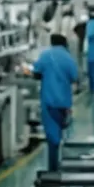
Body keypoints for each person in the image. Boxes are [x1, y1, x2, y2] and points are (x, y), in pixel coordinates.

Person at [29, 34, 79, 171]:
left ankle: (53, 170)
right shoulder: (68, 57)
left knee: (52, 139)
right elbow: (75, 78)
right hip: (64, 102)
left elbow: (36, 73)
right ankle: (65, 165)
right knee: (63, 133)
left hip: (49, 100)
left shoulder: (46, 55)